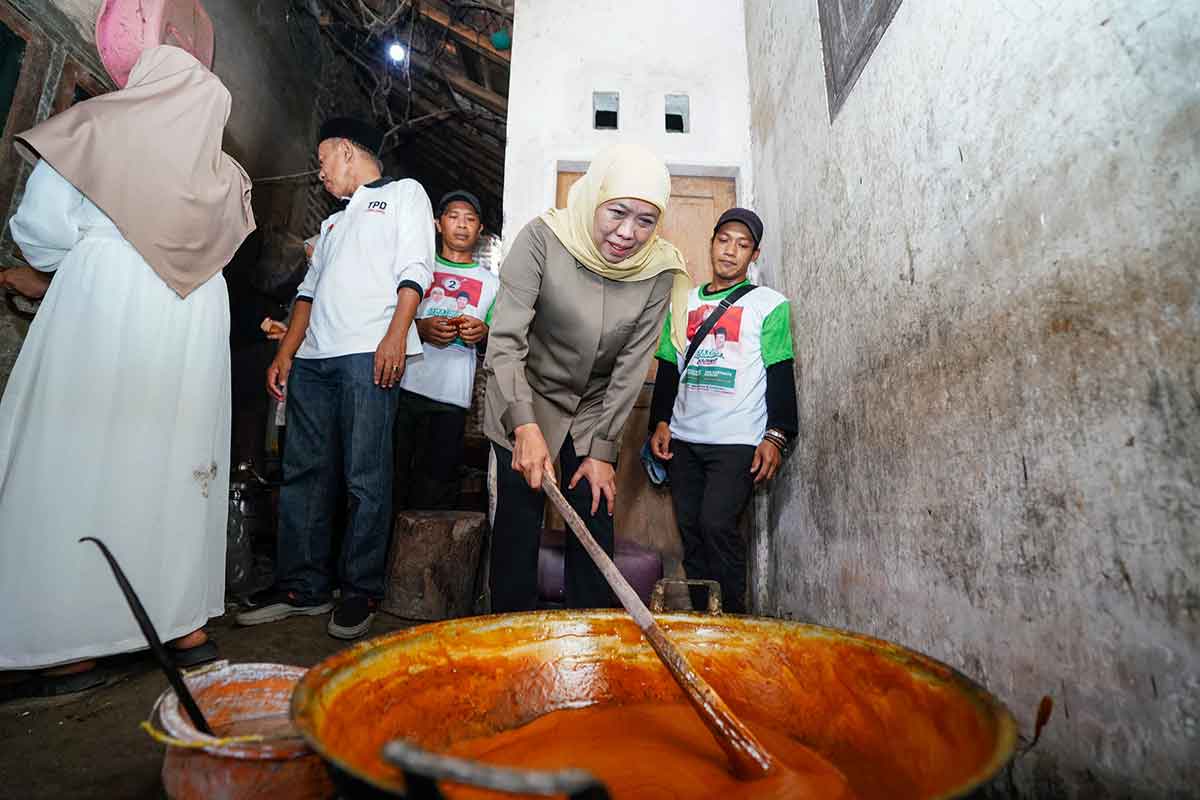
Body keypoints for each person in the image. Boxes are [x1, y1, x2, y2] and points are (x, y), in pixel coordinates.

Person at [0, 46, 255, 698]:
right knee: (171, 463)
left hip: (109, 299)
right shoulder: (226, 177)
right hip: (196, 309)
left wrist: (80, 256)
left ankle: (66, 645)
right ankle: (180, 626)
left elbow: (41, 231)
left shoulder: (101, 127)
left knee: (83, 455)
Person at [236, 117, 434, 640]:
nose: (320, 172)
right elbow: (307, 293)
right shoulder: (331, 224)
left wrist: (396, 335)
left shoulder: (403, 195)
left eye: (324, 159)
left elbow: (416, 268)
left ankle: (360, 588)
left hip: (368, 353)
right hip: (317, 361)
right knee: (303, 471)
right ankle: (301, 585)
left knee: (366, 475)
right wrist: (286, 353)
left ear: (347, 150)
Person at [485, 143, 691, 612]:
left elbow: (631, 367)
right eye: (617, 212)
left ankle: (589, 639)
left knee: (594, 514)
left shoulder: (658, 269)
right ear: (595, 197)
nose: (627, 233)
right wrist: (525, 424)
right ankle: (511, 635)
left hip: (594, 407)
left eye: (645, 220)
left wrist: (602, 452)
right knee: (519, 523)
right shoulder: (541, 240)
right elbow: (506, 341)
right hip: (525, 392)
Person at [647, 208, 798, 614]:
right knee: (691, 531)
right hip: (685, 438)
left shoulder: (769, 305)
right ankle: (702, 619)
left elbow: (780, 373)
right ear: (712, 243)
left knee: (717, 525)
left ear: (755, 254)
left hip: (737, 442)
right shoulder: (685, 302)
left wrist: (776, 436)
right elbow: (668, 366)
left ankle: (731, 618)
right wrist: (660, 421)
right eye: (724, 240)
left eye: (742, 245)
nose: (731, 251)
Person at [394, 190, 498, 510]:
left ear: (480, 230)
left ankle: (425, 560)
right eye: (453, 217)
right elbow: (385, 323)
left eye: (470, 219)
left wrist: (482, 334)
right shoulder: (417, 270)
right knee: (392, 480)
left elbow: (500, 341)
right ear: (439, 224)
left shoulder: (492, 283)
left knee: (436, 488)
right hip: (404, 388)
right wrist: (420, 330)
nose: (462, 225)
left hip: (452, 397)